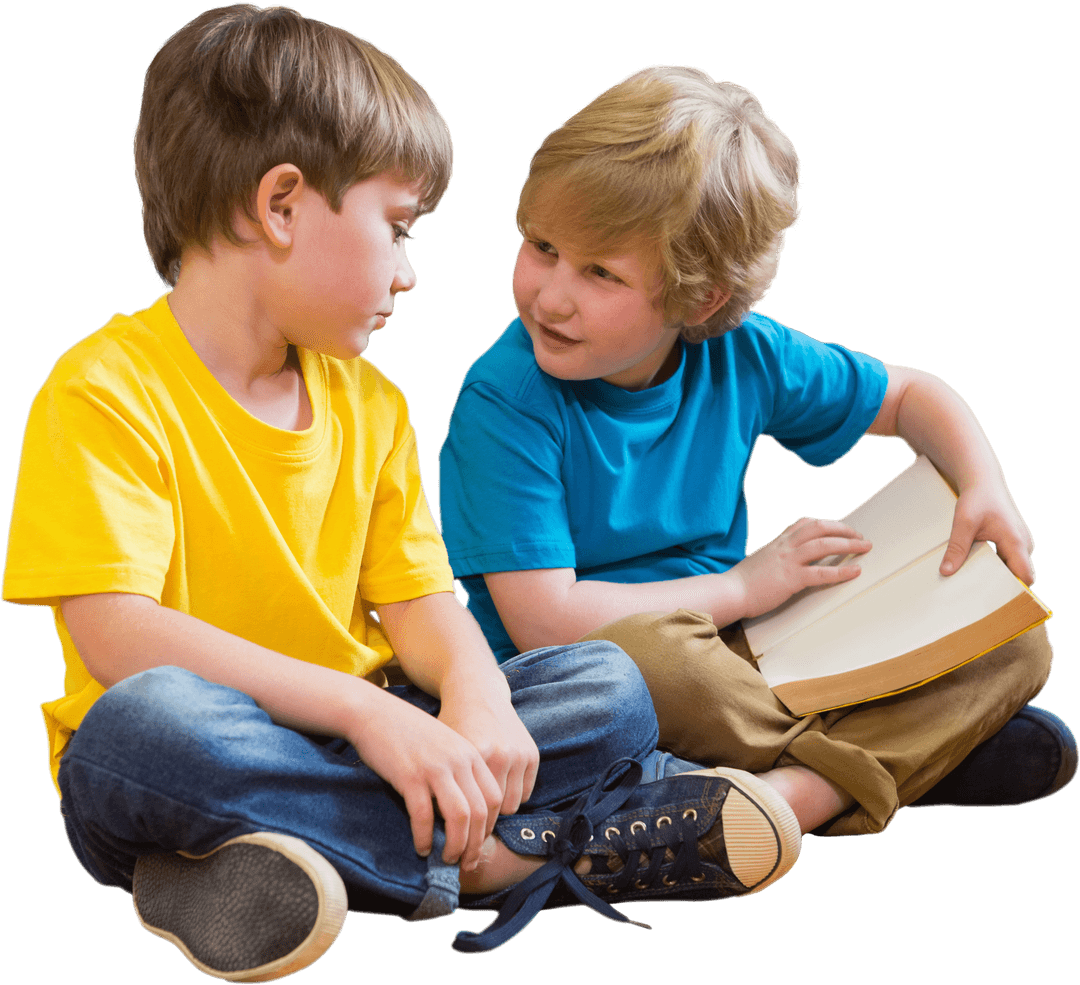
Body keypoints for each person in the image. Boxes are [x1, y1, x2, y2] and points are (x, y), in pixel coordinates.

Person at [1, 12, 805, 979]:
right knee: (142, 730)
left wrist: (473, 694)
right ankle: (502, 858)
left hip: (376, 729)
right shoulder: (103, 390)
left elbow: (420, 602)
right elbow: (119, 638)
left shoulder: (371, 403)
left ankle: (254, 860)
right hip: (203, 750)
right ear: (282, 205)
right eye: (397, 227)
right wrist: (368, 717)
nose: (410, 272)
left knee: (610, 687)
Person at [439, 65, 1075, 841]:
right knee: (648, 665)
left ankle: (784, 791)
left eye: (600, 272)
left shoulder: (745, 353)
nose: (550, 295)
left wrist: (983, 483)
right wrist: (743, 585)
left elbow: (911, 396)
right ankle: (885, 760)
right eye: (542, 246)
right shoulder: (506, 401)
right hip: (592, 674)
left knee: (1014, 640)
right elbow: (547, 622)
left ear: (699, 299)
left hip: (741, 648)